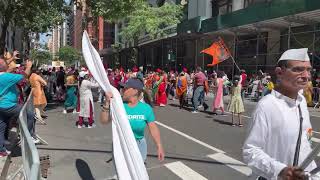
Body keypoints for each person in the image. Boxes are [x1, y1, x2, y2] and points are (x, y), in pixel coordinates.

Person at [243, 48, 318, 180]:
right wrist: (280, 170)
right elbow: (251, 151)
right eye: (298, 69)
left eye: (308, 70)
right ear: (279, 72)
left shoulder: (302, 103)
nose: (306, 76)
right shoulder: (267, 105)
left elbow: (305, 145)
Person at [100, 78, 165, 162]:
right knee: (123, 174)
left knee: (139, 173)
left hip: (139, 146)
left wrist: (159, 146)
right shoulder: (118, 105)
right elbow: (104, 121)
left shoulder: (146, 109)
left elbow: (153, 128)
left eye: (126, 88)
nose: (122, 90)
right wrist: (107, 103)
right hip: (121, 145)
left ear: (135, 91)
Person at [0, 58, 32, 157]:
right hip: (9, 105)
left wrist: (12, 58)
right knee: (29, 114)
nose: (8, 63)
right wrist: (29, 67)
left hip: (1, 105)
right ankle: (29, 137)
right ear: (3, 66)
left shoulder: (5, 75)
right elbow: (24, 76)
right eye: (6, 62)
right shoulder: (6, 77)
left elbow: (7, 69)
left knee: (2, 126)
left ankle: (1, 150)